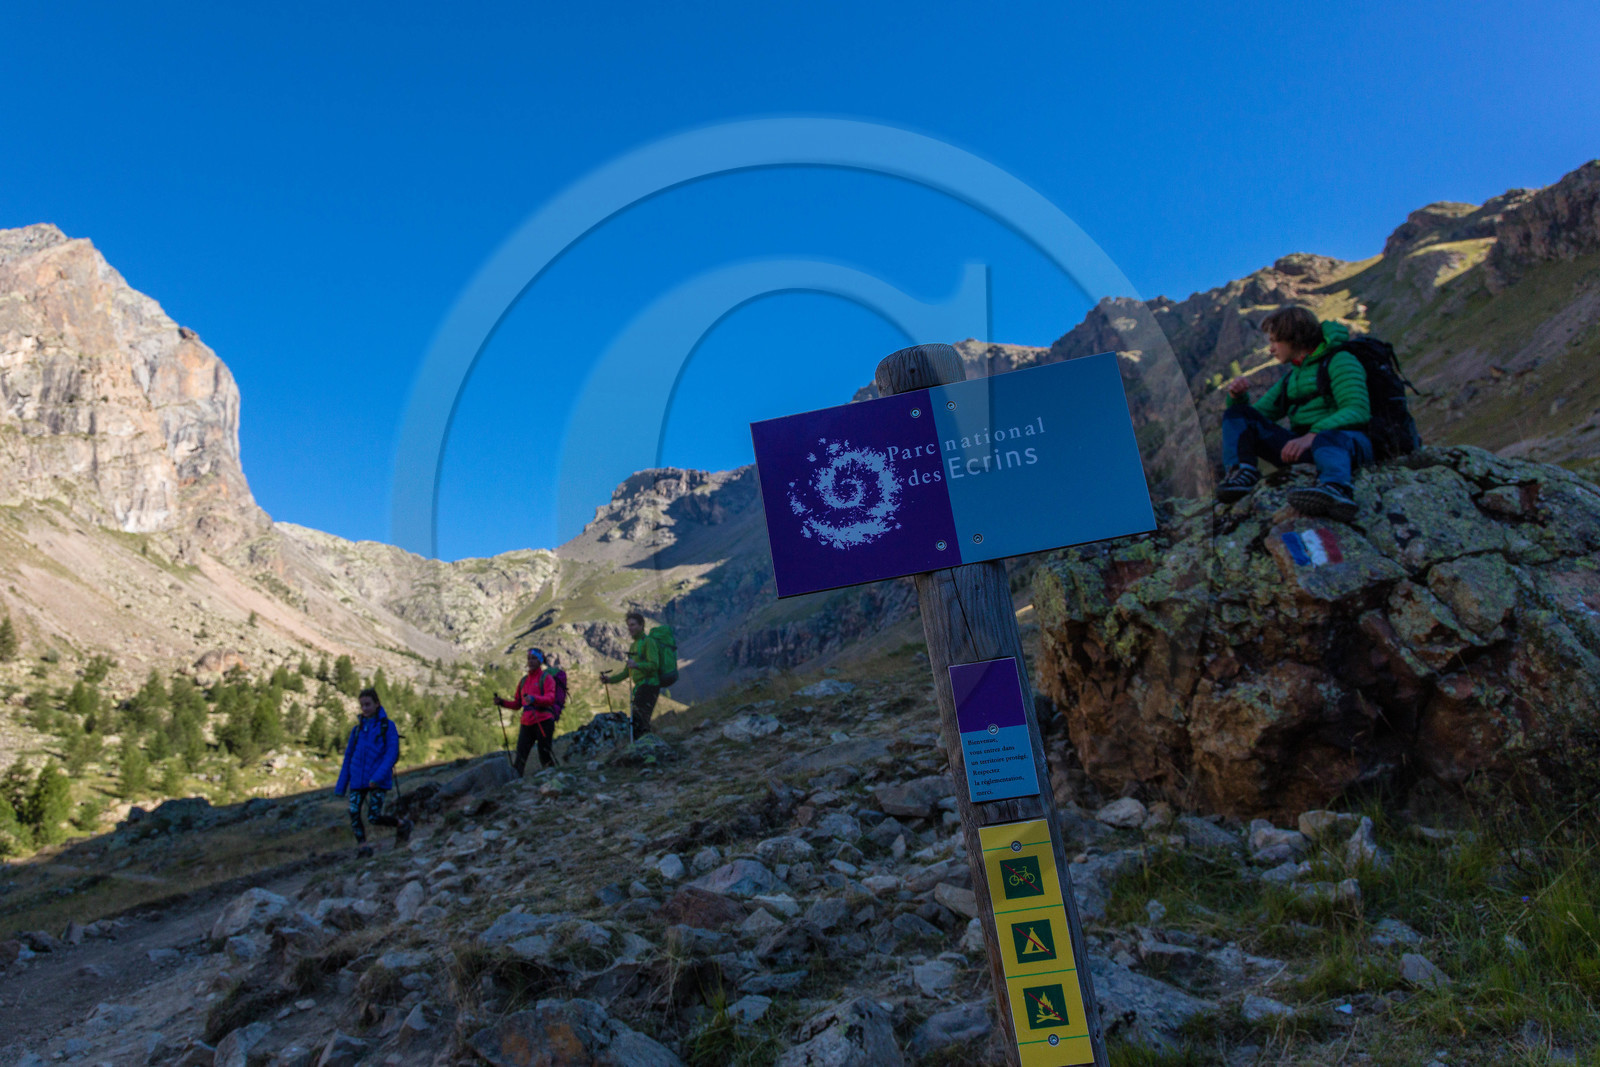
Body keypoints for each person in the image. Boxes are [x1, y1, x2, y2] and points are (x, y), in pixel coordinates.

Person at [1217, 306, 1373, 522]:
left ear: (1294, 338)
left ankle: (1336, 489)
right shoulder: (1293, 377)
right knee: (1237, 414)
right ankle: (1242, 474)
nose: (1271, 349)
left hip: (1347, 445)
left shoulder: (1341, 361)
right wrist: (1237, 397)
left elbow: (1357, 409)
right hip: (1307, 448)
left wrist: (1312, 435)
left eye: (1274, 341)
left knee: (1328, 437)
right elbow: (1254, 416)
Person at [334, 687, 412, 858]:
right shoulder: (356, 730)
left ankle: (402, 824)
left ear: (377, 704)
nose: (365, 708)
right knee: (354, 813)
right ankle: (363, 848)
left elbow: (391, 754)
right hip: (356, 780)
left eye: (368, 704)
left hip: (377, 780)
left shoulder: (387, 726)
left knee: (373, 817)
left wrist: (377, 777)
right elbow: (348, 757)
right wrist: (341, 786)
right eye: (362, 705)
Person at [495, 647, 558, 774]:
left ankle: (553, 780)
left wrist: (534, 699)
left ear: (540, 661)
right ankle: (516, 784)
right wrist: (502, 702)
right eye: (529, 658)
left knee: (544, 754)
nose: (530, 661)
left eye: (534, 658)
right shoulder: (523, 681)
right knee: (520, 757)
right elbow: (517, 704)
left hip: (544, 721)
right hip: (526, 723)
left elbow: (550, 698)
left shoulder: (546, 678)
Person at [600, 611, 661, 737]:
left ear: (641, 625)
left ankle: (647, 749)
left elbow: (654, 665)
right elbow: (626, 672)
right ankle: (645, 747)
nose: (630, 628)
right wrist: (609, 680)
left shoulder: (648, 642)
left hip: (649, 685)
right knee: (638, 721)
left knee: (640, 721)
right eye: (628, 625)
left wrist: (637, 665)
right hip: (640, 687)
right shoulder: (634, 645)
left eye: (633, 625)